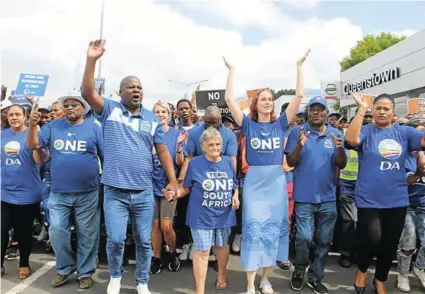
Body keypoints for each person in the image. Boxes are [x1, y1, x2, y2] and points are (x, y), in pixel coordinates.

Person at [81, 39, 177, 294]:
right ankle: (115, 277)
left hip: (144, 192)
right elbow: (87, 93)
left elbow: (163, 150)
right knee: (115, 239)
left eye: (139, 87)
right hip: (115, 192)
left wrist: (173, 181)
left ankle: (142, 281)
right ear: (120, 92)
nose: (136, 90)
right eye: (130, 87)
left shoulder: (152, 119)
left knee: (144, 242)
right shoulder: (110, 110)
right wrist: (92, 60)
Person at [222, 49, 310, 294]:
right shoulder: (247, 125)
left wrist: (299, 66)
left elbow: (299, 94)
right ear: (255, 104)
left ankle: (265, 279)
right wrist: (231, 71)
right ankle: (250, 284)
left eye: (271, 98)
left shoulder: (281, 123)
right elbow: (229, 100)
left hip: (276, 182)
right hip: (254, 182)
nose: (268, 101)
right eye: (263, 98)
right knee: (252, 232)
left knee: (272, 232)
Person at [345, 93, 425, 294]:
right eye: (378, 108)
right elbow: (351, 139)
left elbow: (422, 142)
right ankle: (362, 270)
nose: (381, 112)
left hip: (396, 198)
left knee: (389, 245)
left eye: (386, 109)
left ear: (393, 112)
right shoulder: (365, 131)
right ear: (373, 110)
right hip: (368, 198)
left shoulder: (404, 133)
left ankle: (380, 280)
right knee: (372, 238)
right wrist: (362, 109)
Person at [27, 93, 104, 290]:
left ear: (84, 108)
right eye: (67, 105)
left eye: (75, 105)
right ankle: (64, 268)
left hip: (88, 192)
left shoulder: (95, 126)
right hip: (59, 192)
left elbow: (106, 157)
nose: (70, 108)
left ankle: (85, 272)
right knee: (56, 231)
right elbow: (34, 145)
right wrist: (32, 125)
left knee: (87, 234)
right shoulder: (53, 127)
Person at [286, 96, 347, 294]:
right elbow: (291, 162)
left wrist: (339, 149)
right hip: (304, 197)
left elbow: (341, 164)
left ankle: (315, 277)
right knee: (303, 237)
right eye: (313, 109)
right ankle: (300, 270)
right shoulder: (298, 131)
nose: (317, 113)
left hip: (328, 198)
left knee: (323, 241)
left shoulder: (336, 133)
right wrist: (299, 145)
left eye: (321, 110)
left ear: (326, 113)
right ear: (308, 112)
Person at [169, 127, 239, 294]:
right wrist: (175, 193)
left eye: (218, 144)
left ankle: (221, 276)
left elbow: (234, 184)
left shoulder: (229, 162)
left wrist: (236, 196)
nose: (216, 148)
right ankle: (200, 291)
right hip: (201, 216)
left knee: (222, 246)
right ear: (203, 146)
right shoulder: (195, 163)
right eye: (212, 144)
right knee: (202, 252)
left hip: (224, 214)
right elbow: (186, 188)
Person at [1, 105, 45, 279]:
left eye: (17, 114)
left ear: (26, 116)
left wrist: (34, 132)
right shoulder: (3, 136)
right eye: (10, 115)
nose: (13, 117)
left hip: (27, 195)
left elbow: (38, 161)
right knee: (1, 230)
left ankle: (24, 263)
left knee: (23, 232)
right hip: (4, 192)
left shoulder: (34, 135)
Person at [150, 101, 186, 274]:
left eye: (163, 111)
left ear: (169, 114)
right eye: (157, 111)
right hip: (150, 185)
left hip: (169, 186)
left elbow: (180, 162)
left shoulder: (177, 134)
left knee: (166, 226)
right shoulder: (148, 133)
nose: (160, 114)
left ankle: (172, 253)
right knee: (154, 225)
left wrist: (179, 148)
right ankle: (156, 256)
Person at [396, 124, 425, 292]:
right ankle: (403, 274)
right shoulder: (401, 155)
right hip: (405, 204)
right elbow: (402, 182)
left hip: (423, 205)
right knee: (408, 242)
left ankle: (419, 267)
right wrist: (418, 174)